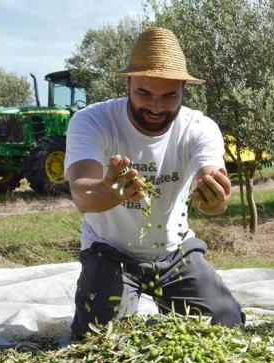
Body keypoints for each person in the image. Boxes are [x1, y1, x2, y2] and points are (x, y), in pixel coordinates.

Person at [65, 27, 245, 339]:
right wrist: (110, 191)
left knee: (226, 323)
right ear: (128, 82)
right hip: (111, 251)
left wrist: (214, 199)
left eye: (169, 95)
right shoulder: (92, 121)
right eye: (144, 93)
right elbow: (82, 193)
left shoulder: (199, 128)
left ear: (184, 90)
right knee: (97, 341)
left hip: (174, 253)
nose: (156, 107)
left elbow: (214, 187)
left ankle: (174, 300)